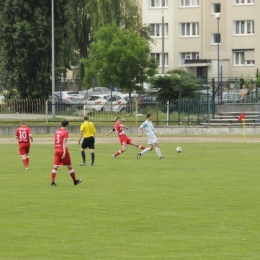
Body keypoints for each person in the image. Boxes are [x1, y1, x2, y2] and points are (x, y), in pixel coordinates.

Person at [51, 120, 82, 186]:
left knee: (55, 166)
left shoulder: (56, 132)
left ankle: (52, 182)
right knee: (69, 166)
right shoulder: (65, 132)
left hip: (57, 150)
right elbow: (64, 142)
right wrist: (64, 152)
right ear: (67, 125)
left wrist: (56, 149)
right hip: (63, 150)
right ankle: (75, 181)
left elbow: (55, 141)